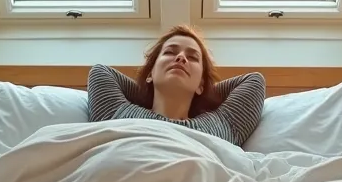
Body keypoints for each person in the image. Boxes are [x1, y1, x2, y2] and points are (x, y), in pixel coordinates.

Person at [87, 25, 266, 146]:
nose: (181, 58)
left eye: (193, 57)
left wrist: (203, 90)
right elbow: (100, 72)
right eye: (170, 52)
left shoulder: (222, 124)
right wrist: (149, 89)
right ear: (150, 73)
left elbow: (254, 81)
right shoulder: (117, 113)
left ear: (201, 85)